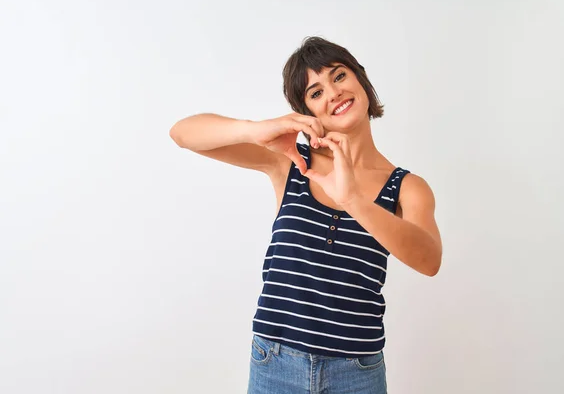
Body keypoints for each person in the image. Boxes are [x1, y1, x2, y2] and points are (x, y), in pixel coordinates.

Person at [169, 36, 442, 394]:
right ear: (306, 111)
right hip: (275, 364)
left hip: (357, 373)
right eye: (315, 92)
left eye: (339, 76)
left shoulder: (407, 187)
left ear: (361, 81)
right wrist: (257, 129)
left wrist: (355, 200)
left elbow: (429, 259)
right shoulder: (292, 162)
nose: (333, 93)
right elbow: (183, 133)